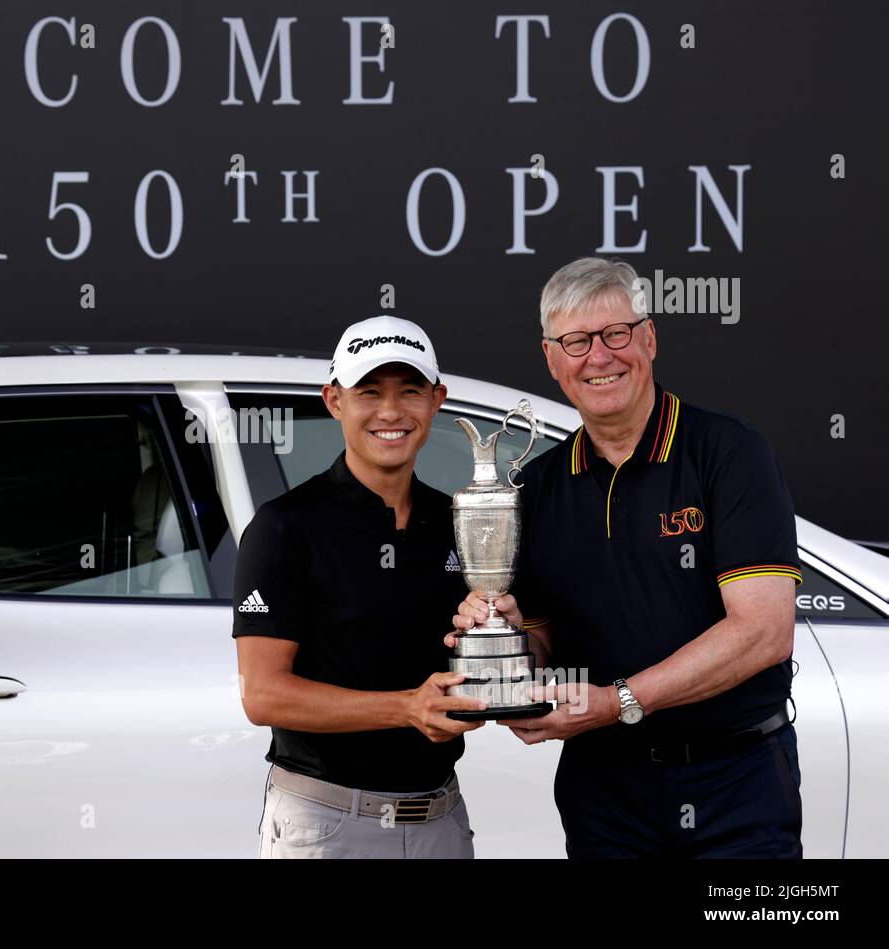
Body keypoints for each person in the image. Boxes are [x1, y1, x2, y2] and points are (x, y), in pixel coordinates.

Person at [450, 256, 803, 858]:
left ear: (650, 338)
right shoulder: (537, 488)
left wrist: (620, 701)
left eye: (616, 334)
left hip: (734, 782)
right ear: (551, 360)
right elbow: (541, 649)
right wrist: (500, 645)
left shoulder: (727, 452)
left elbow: (764, 631)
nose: (600, 357)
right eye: (577, 341)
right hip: (604, 789)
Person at [234, 315, 486, 858]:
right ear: (334, 400)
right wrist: (407, 708)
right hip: (328, 825)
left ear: (437, 400)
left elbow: (493, 652)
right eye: (369, 391)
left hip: (442, 819)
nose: (391, 412)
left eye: (410, 391)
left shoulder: (457, 522)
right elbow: (263, 695)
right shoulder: (285, 527)